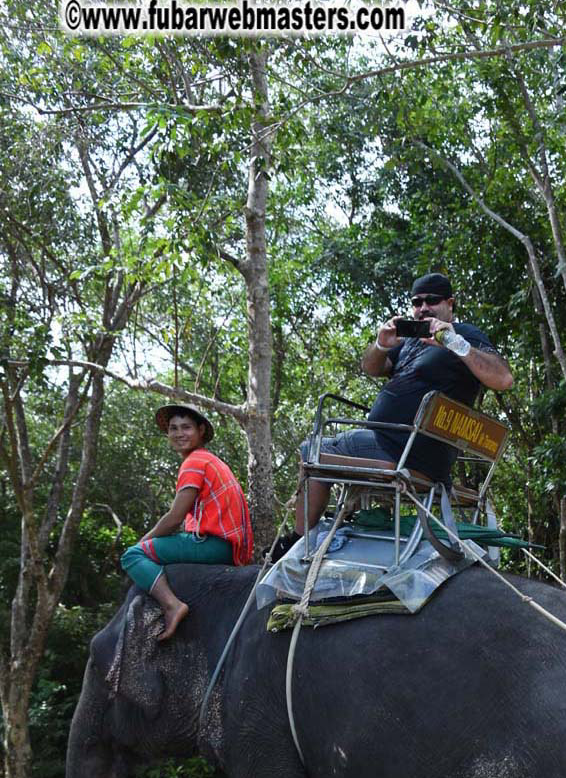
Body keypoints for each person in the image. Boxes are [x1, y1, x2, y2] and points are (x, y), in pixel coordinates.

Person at [271, 272, 512, 557]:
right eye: (417, 302)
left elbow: (503, 379)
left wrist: (453, 342)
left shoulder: (465, 335)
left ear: (450, 303)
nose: (423, 308)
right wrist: (382, 343)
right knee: (325, 443)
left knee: (313, 449)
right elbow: (372, 367)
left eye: (432, 301)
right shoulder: (409, 341)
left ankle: (296, 543)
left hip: (405, 448)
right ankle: (333, 531)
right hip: (394, 442)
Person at [121, 405, 254, 640]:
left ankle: (171, 605)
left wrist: (143, 541)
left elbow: (175, 517)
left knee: (132, 556)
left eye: (186, 427)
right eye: (173, 428)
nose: (179, 433)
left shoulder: (194, 462)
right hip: (229, 548)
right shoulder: (209, 460)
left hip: (212, 544)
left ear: (200, 430)